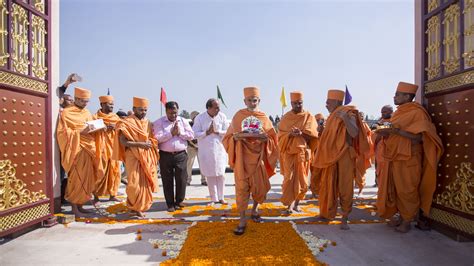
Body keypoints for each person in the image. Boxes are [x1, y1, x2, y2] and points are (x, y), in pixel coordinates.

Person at [376, 82, 442, 233]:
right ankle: (401, 215)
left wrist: (396, 132)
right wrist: (384, 131)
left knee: (407, 190)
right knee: (396, 189)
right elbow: (393, 132)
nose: (395, 97)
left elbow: (418, 138)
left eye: (398, 94)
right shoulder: (398, 113)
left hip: (409, 157)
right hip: (394, 156)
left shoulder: (417, 112)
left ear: (407, 96)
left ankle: (407, 221)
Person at [223, 86, 278, 235]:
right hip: (242, 159)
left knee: (260, 188)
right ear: (244, 101)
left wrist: (265, 138)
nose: (252, 103)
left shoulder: (264, 117)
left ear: (259, 101)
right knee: (241, 190)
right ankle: (242, 220)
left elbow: (273, 138)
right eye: (249, 100)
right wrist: (236, 137)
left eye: (254, 100)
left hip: (258, 158)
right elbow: (228, 137)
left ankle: (254, 210)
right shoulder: (238, 116)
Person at [313, 89, 370, 230]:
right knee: (328, 183)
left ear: (337, 101)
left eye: (328, 102)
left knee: (345, 186)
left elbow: (355, 133)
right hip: (330, 156)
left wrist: (344, 118)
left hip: (344, 155)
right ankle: (327, 212)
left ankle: (345, 216)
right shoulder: (332, 116)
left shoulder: (348, 113)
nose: (326, 104)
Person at [57, 87, 99, 217]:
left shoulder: (87, 113)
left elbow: (93, 127)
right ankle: (74, 208)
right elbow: (62, 132)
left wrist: (97, 127)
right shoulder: (67, 113)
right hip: (75, 149)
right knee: (75, 179)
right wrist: (80, 132)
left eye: (87, 101)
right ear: (76, 99)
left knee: (87, 179)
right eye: (82, 101)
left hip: (88, 149)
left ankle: (81, 205)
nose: (85, 103)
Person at [114, 97, 159, 218]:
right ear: (134, 109)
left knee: (145, 184)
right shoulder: (127, 122)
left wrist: (151, 143)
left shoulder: (148, 123)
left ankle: (136, 208)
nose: (143, 112)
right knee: (134, 184)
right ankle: (135, 207)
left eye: (145, 110)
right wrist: (140, 144)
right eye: (140, 109)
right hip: (132, 156)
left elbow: (152, 139)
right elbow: (123, 141)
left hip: (145, 156)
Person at [278, 91, 318, 213]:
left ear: (302, 103)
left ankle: (296, 204)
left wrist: (302, 133)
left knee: (302, 180)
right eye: (295, 103)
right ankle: (289, 206)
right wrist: (290, 134)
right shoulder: (286, 118)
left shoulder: (308, 116)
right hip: (289, 153)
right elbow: (280, 136)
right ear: (291, 103)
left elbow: (314, 135)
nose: (297, 105)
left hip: (302, 153)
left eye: (299, 103)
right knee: (288, 179)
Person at [153, 101, 194, 212]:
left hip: (181, 154)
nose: (173, 115)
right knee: (167, 180)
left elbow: (191, 135)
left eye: (175, 113)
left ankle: (179, 201)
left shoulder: (183, 121)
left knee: (182, 178)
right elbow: (156, 138)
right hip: (165, 155)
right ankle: (170, 204)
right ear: (166, 112)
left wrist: (180, 133)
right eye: (171, 113)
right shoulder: (159, 122)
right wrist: (171, 133)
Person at [192, 99, 230, 205]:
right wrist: (206, 132)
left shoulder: (222, 116)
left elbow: (228, 131)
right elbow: (194, 134)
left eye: (218, 107)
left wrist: (218, 131)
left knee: (221, 174)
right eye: (216, 107)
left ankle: (221, 197)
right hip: (206, 151)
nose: (218, 109)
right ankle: (214, 198)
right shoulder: (200, 118)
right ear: (208, 108)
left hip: (220, 150)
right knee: (210, 175)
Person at [93, 95, 122, 203]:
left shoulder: (115, 117)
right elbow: (90, 129)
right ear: (102, 104)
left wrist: (115, 127)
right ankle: (96, 196)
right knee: (99, 171)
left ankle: (113, 194)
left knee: (115, 172)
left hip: (114, 148)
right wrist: (103, 127)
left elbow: (121, 128)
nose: (112, 106)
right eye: (109, 104)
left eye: (112, 104)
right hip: (100, 148)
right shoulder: (95, 117)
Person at [372, 105, 393, 187]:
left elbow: (389, 128)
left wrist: (380, 127)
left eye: (385, 112)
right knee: (378, 168)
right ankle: (379, 183)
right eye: (382, 112)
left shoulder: (395, 119)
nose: (383, 114)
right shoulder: (380, 121)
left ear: (391, 112)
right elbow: (373, 128)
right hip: (379, 149)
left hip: (389, 149)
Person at [355, 112, 374, 195]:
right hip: (354, 151)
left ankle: (360, 188)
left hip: (361, 151)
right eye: (359, 116)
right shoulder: (353, 124)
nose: (360, 118)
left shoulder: (363, 124)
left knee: (360, 171)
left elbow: (367, 138)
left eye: (362, 116)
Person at [186, 111, 207, 186]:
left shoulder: (202, 125)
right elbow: (188, 137)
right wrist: (194, 145)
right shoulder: (189, 125)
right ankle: (188, 180)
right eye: (195, 117)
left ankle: (204, 180)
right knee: (189, 164)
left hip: (201, 147)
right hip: (191, 147)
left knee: (202, 164)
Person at [309, 113, 325, 198]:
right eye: (317, 120)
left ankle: (320, 191)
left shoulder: (325, 128)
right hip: (314, 155)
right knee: (314, 174)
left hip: (323, 155)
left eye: (321, 120)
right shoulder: (312, 128)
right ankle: (314, 192)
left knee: (322, 175)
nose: (319, 121)